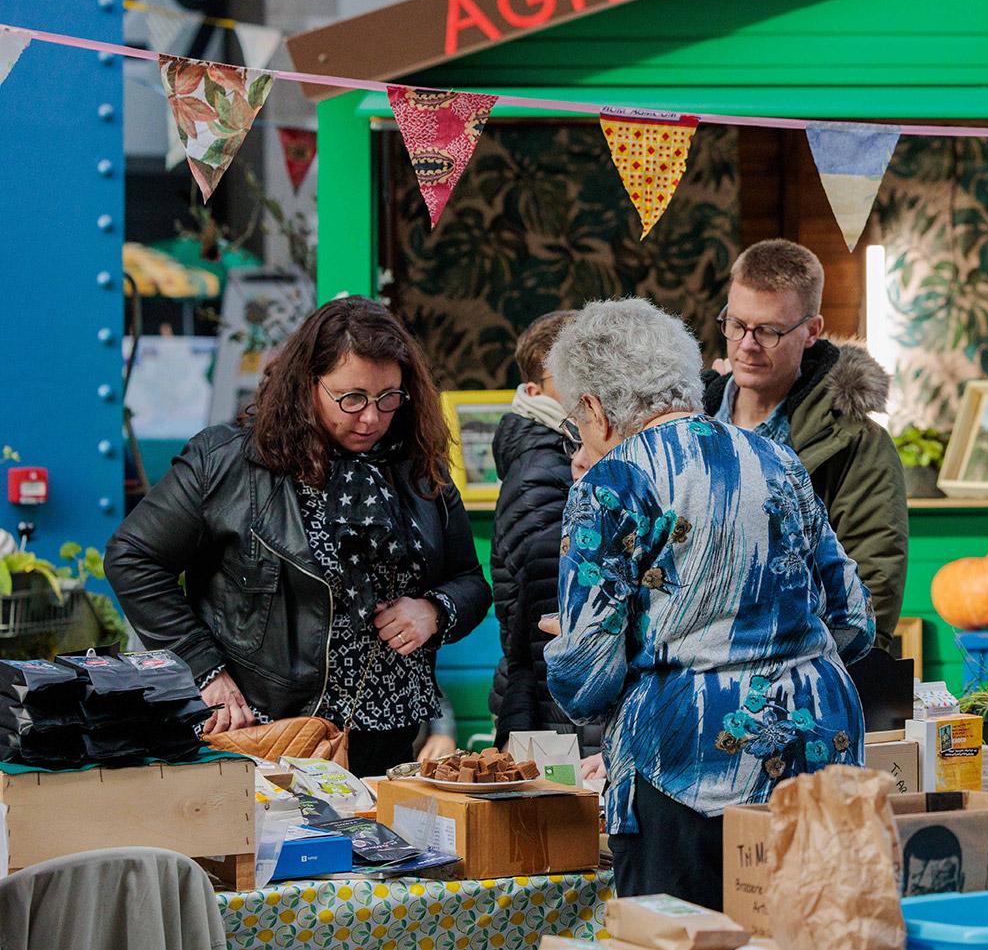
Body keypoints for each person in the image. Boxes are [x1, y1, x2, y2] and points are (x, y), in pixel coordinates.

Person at [543, 298, 874, 904]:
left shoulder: (612, 480)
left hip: (689, 768)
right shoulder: (775, 456)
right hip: (821, 750)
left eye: (575, 422)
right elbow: (852, 617)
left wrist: (576, 640)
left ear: (594, 407)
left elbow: (586, 678)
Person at [106, 297, 490, 778]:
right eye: (351, 399)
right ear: (307, 384)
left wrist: (434, 610)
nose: (370, 418)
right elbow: (133, 558)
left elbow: (470, 580)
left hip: (390, 731)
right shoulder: (227, 461)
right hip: (268, 727)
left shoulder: (418, 469)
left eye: (389, 398)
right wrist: (206, 671)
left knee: (376, 851)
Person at [703, 239, 907, 649]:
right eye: (737, 324)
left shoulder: (856, 443)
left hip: (801, 681)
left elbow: (872, 593)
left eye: (769, 331)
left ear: (811, 331)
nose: (746, 345)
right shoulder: (688, 423)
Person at [488, 309, 591, 751]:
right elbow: (543, 607)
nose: (584, 389)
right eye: (565, 377)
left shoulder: (560, 448)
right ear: (534, 391)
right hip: (554, 703)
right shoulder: (542, 464)